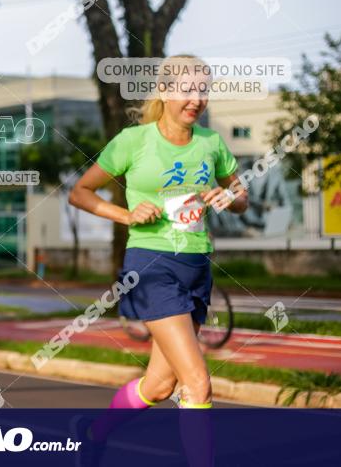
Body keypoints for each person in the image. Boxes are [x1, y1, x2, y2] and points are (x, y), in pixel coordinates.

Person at [68, 55, 249, 464]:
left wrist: (229, 196)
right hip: (150, 266)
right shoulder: (134, 141)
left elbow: (241, 196)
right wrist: (125, 214)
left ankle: (93, 433)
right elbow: (80, 192)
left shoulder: (211, 143)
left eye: (203, 90)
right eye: (187, 89)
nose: (196, 98)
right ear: (165, 91)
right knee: (197, 382)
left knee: (160, 385)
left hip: (197, 267)